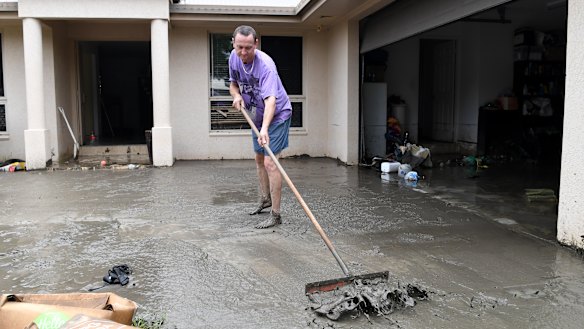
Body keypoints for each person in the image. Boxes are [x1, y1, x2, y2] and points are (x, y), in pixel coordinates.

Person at [229, 25, 293, 229]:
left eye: (248, 47)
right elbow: (233, 84)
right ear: (234, 43)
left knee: (270, 163)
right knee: (259, 159)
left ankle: (276, 214)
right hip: (257, 114)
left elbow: (272, 101)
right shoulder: (233, 57)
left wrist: (264, 129)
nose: (243, 52)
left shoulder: (266, 66)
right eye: (240, 47)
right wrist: (237, 95)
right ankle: (265, 199)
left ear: (256, 44)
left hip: (277, 115)